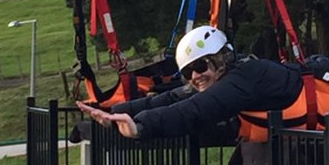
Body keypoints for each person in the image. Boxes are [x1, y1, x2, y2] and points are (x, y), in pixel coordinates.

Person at [77, 25, 302, 140]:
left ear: (220, 59)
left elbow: (194, 110)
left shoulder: (243, 78)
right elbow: (175, 96)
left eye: (201, 66)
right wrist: (114, 112)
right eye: (187, 72)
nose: (195, 76)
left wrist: (142, 127)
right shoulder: (234, 73)